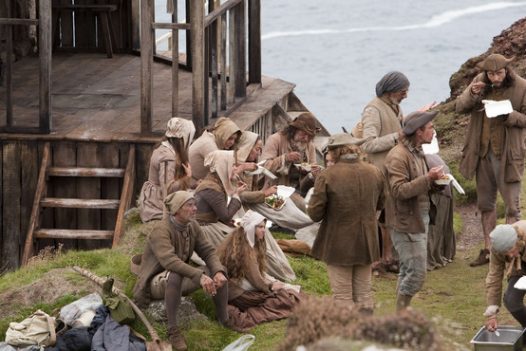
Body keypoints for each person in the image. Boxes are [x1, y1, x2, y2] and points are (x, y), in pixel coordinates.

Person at [133, 191, 233, 351]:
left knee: (217, 271)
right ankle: (173, 331)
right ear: (177, 209)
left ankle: (224, 320)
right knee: (176, 274)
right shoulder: (161, 230)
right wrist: (198, 276)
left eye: (195, 204)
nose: (195, 208)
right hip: (152, 283)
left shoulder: (192, 225)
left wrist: (217, 271)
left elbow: (207, 251)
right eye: (190, 205)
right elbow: (170, 261)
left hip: (175, 277)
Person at [455, 53, 526, 267]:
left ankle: (512, 252)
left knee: (512, 208)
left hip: (508, 155)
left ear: (507, 71)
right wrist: (471, 92)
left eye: (499, 73)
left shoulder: (522, 86)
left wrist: (508, 115)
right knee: (486, 204)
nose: (495, 78)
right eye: (491, 74)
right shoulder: (479, 82)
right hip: (482, 154)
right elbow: (460, 107)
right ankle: (489, 249)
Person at [307, 133, 384, 313]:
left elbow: (314, 214)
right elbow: (381, 204)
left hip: (338, 243)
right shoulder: (374, 171)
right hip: (367, 240)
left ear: (335, 152)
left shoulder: (328, 175)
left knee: (342, 296)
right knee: (364, 292)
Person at [194, 149, 296, 282]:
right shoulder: (211, 187)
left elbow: (220, 213)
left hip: (212, 224)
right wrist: (236, 196)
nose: (233, 168)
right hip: (206, 230)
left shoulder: (216, 182)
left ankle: (268, 269)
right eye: (231, 165)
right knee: (243, 243)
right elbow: (226, 215)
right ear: (222, 166)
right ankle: (260, 274)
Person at [384, 110, 445, 311]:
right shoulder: (398, 156)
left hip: (418, 218)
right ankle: (400, 315)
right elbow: (399, 191)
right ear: (418, 131)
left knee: (407, 270)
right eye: (430, 128)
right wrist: (428, 179)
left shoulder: (416, 151)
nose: (434, 132)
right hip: (406, 222)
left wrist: (436, 183)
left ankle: (399, 316)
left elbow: (419, 185)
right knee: (417, 274)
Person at [216, 210, 300, 331]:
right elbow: (257, 281)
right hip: (238, 292)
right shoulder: (246, 250)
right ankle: (235, 312)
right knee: (283, 298)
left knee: (285, 292)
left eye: (264, 227)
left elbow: (257, 275)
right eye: (260, 227)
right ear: (250, 227)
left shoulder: (247, 242)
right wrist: (271, 286)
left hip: (239, 287)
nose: (263, 230)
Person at [236, 130, 315, 232]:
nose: (259, 153)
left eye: (260, 150)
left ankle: (307, 222)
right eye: (257, 149)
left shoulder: (251, 165)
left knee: (287, 202)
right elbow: (241, 195)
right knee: (284, 208)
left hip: (261, 197)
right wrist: (264, 193)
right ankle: (306, 223)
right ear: (247, 148)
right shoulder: (235, 167)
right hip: (249, 205)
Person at [137, 117, 195, 222]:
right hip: (156, 204)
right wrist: (187, 177)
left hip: (155, 198)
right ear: (183, 138)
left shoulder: (164, 148)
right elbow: (167, 190)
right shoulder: (167, 158)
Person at [261, 112, 322, 211]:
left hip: (300, 189)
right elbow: (264, 167)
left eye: (309, 136)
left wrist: (312, 171)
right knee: (303, 208)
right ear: (294, 130)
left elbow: (313, 165)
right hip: (276, 191)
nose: (306, 138)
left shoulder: (309, 145)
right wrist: (285, 158)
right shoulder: (275, 139)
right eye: (304, 133)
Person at [484, 221, 526, 332]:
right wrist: (492, 313)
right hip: (519, 265)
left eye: (511, 250)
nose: (510, 256)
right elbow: (494, 276)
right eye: (506, 254)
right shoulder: (497, 248)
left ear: (518, 241)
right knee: (511, 300)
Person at [425, 154, 456, 270]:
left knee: (433, 226)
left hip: (440, 189)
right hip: (442, 185)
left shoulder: (424, 158)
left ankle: (431, 255)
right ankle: (443, 251)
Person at [188, 117, 242, 181]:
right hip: (191, 185)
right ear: (222, 134)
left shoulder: (210, 139)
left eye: (234, 139)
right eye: (230, 138)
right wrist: (242, 168)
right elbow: (223, 174)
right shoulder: (208, 144)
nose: (232, 142)